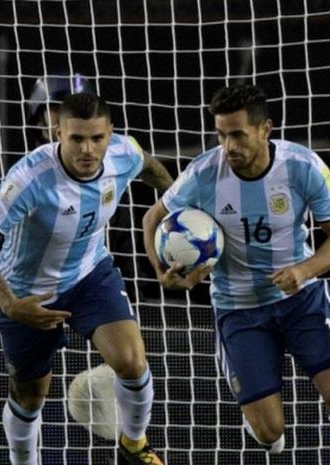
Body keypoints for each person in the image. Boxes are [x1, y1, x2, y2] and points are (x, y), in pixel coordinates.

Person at [0, 92, 173, 465]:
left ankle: (135, 445)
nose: (88, 149)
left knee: (133, 363)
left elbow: (155, 173)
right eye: (77, 138)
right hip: (29, 294)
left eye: (97, 138)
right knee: (30, 397)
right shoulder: (28, 180)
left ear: (110, 133)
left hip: (91, 275)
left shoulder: (124, 153)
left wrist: (177, 218)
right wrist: (11, 304)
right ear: (58, 132)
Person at [142, 84, 330, 454]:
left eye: (238, 134)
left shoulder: (303, 167)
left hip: (302, 301)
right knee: (270, 436)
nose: (228, 146)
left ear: (265, 130)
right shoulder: (203, 173)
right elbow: (152, 219)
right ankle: (257, 413)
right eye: (222, 135)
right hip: (239, 307)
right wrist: (161, 269)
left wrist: (305, 270)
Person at [26, 72, 95, 145]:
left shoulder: (107, 155)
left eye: (75, 109)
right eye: (57, 109)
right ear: (40, 121)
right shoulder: (30, 156)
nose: (67, 117)